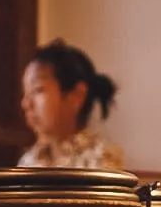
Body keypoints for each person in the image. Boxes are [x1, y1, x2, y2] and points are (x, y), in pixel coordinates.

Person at [18, 40, 124, 170]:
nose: (26, 104)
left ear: (76, 96)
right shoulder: (28, 161)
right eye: (25, 93)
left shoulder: (101, 157)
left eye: (38, 89)